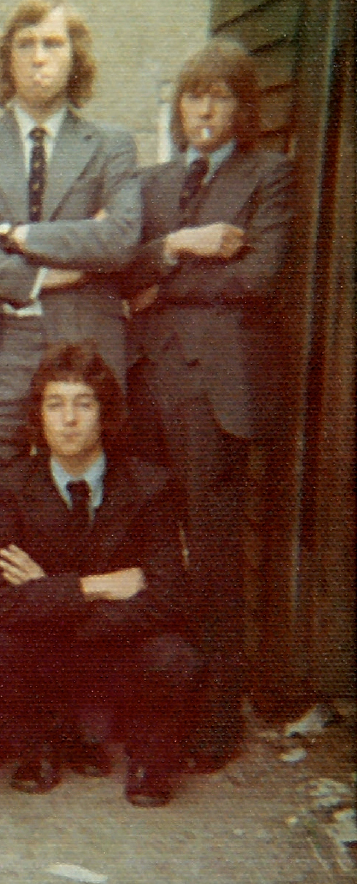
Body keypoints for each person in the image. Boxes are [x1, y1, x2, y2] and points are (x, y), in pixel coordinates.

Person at [123, 39, 294, 771]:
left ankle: (216, 717)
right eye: (193, 95)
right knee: (146, 551)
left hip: (215, 392)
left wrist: (162, 283)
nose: (204, 109)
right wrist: (179, 247)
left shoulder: (268, 176)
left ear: (242, 109)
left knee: (214, 558)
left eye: (220, 97)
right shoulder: (150, 183)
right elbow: (122, 267)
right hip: (146, 387)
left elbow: (256, 279)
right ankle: (152, 702)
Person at [0, 0, 141, 571]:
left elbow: (120, 238)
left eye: (53, 43)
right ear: (6, 60)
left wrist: (18, 236)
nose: (39, 57)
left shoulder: (112, 146)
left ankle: (77, 655)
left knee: (86, 518)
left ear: (76, 57)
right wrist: (48, 274)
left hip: (82, 352)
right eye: (25, 44)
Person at [0, 343, 201, 807]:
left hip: (115, 649)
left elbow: (169, 599)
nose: (69, 420)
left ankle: (148, 756)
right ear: (38, 417)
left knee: (174, 656)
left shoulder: (150, 486)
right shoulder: (11, 487)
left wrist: (48, 593)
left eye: (84, 404)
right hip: (49, 652)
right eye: (55, 405)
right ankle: (40, 743)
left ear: (106, 415)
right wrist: (94, 587)